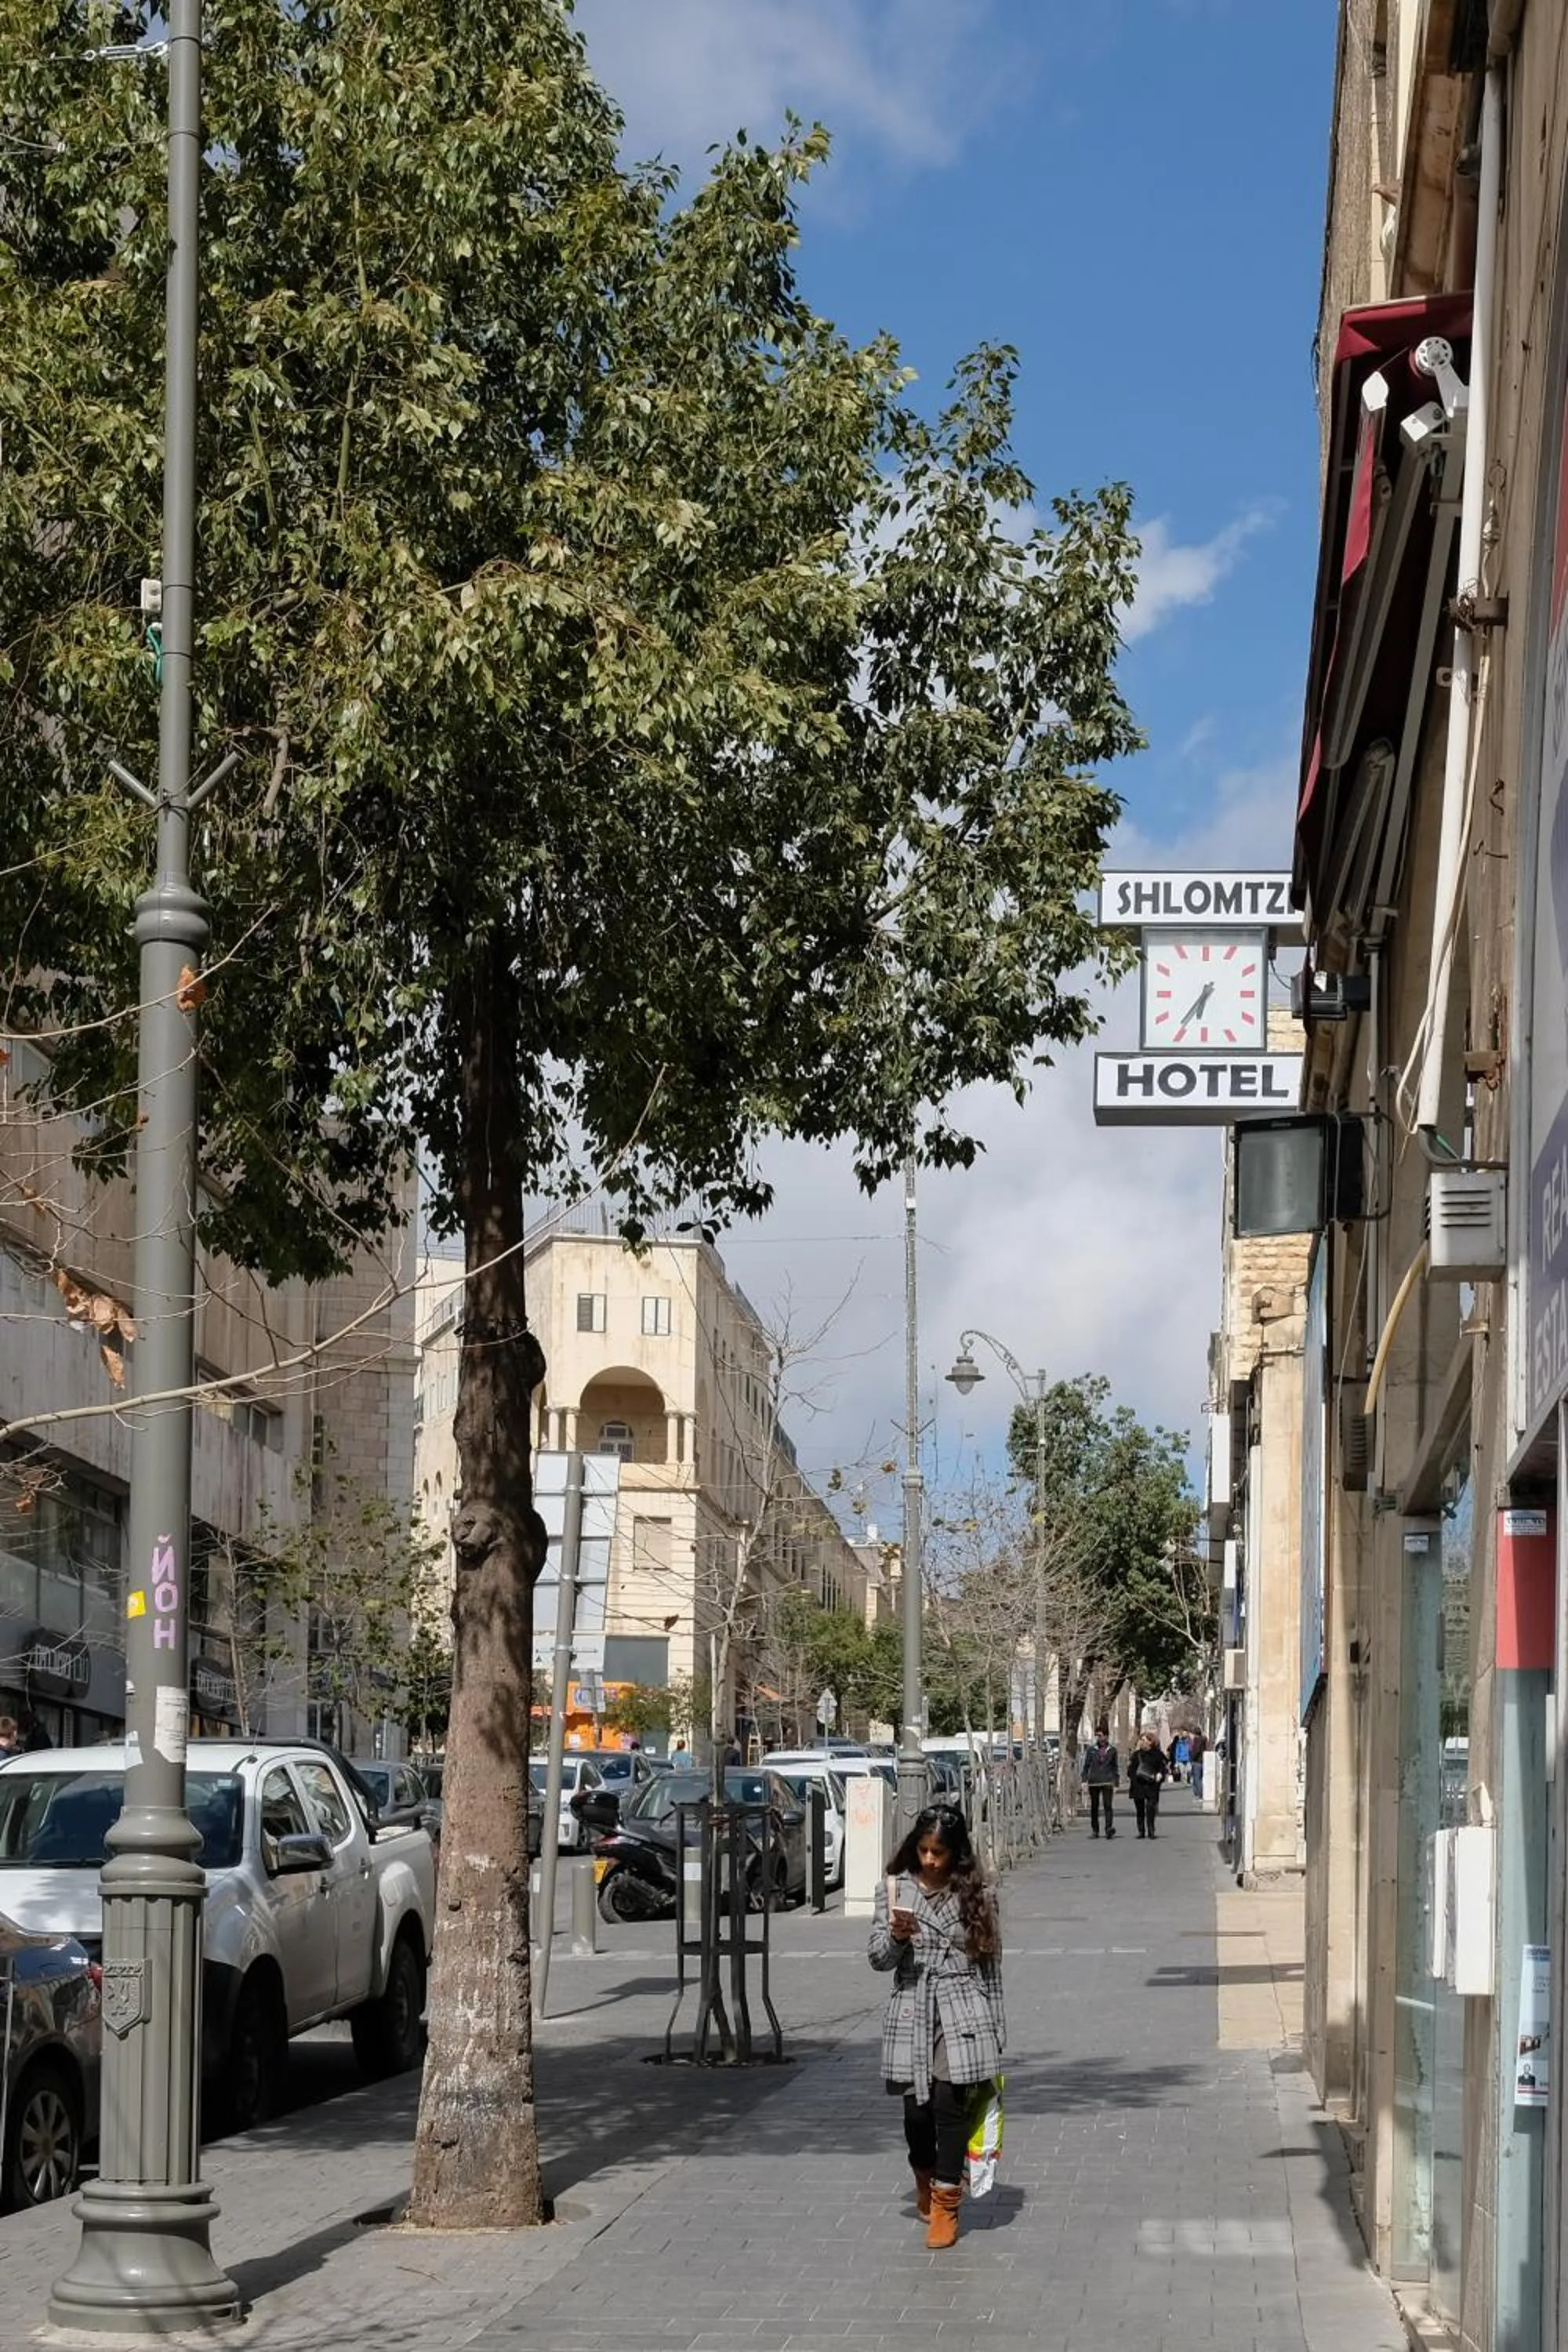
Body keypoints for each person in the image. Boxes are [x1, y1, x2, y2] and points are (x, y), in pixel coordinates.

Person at [869, 1803, 1004, 2251]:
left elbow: (990, 1965)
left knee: (949, 2104)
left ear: (955, 1852)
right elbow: (877, 1960)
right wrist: (896, 1936)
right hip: (913, 2007)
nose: (929, 1860)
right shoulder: (894, 1890)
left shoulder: (977, 1894)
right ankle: (924, 2172)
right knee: (916, 2115)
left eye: (939, 1852)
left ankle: (947, 2204)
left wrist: (997, 2030)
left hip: (963, 2006)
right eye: (924, 1850)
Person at [1080, 1723, 1119, 1838]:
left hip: (1107, 1781)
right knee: (1094, 1806)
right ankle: (1095, 1830)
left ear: (1106, 1736)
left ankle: (1108, 1828)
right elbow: (1086, 1766)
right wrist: (1084, 1780)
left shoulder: (1112, 1750)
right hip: (1094, 1781)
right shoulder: (1092, 1750)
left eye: (1100, 1735)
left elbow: (1115, 1767)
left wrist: (1116, 1782)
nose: (1099, 1738)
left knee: (1108, 1805)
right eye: (1097, 1736)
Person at [1127, 1730, 1168, 1838]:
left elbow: (1163, 1767)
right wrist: (1134, 1778)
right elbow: (1130, 1770)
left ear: (1151, 1742)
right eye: (1141, 1740)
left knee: (1150, 1808)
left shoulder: (1157, 1754)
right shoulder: (1136, 1755)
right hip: (1138, 1785)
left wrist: (1160, 1774)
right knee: (1140, 1810)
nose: (1142, 1742)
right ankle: (1141, 1831)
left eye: (1144, 1740)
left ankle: (1151, 1830)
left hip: (1151, 1785)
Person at [1188, 1727, 1207, 1800]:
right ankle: (1200, 1794)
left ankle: (1200, 1795)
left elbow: (1196, 1750)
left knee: (1197, 1779)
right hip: (1202, 1761)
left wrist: (1192, 1757)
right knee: (1200, 1778)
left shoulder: (1197, 1740)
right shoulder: (1203, 1740)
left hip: (1197, 1761)